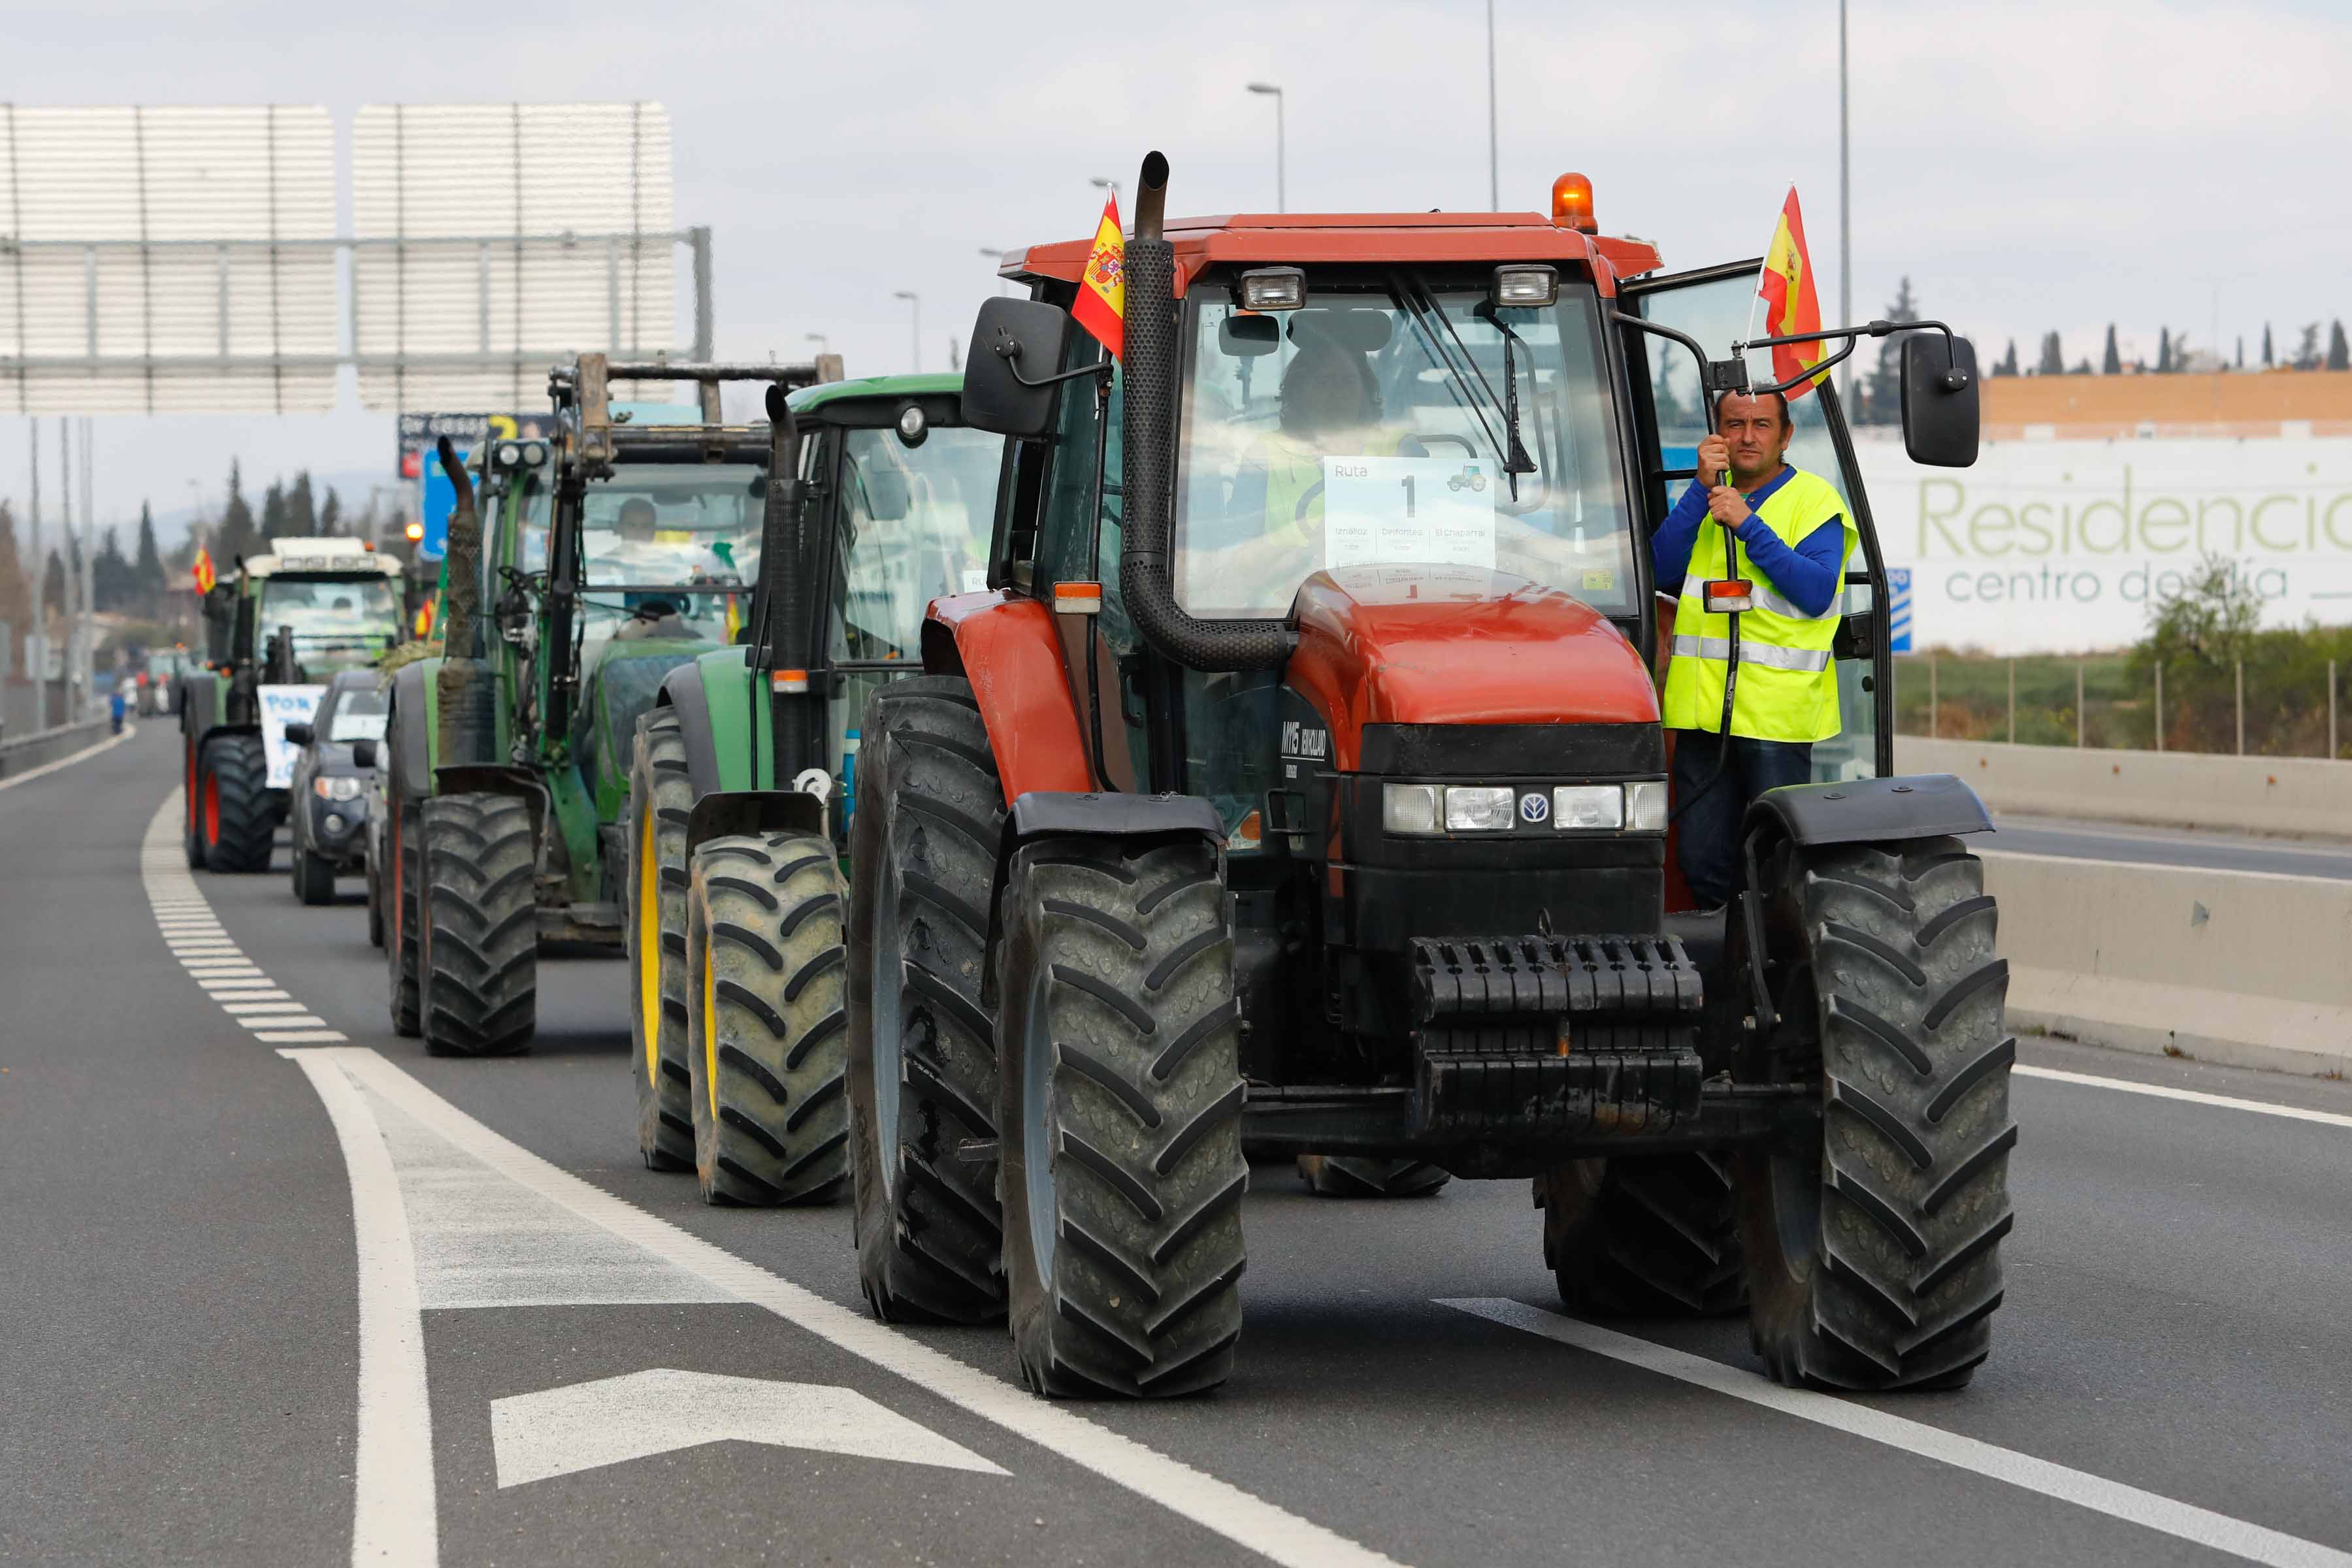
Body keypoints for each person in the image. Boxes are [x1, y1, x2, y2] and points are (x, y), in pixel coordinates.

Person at [1653, 390, 1857, 908]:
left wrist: (1748, 525)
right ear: (1716, 433)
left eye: (1762, 424)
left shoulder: (1814, 501)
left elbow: (1815, 592)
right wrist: (1700, 492)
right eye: (1734, 423)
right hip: (1703, 717)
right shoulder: (1704, 498)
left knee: (1774, 865)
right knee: (1701, 860)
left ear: (1785, 436)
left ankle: (1770, 974)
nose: (1747, 436)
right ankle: (1721, 971)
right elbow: (1656, 570)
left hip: (1774, 719)